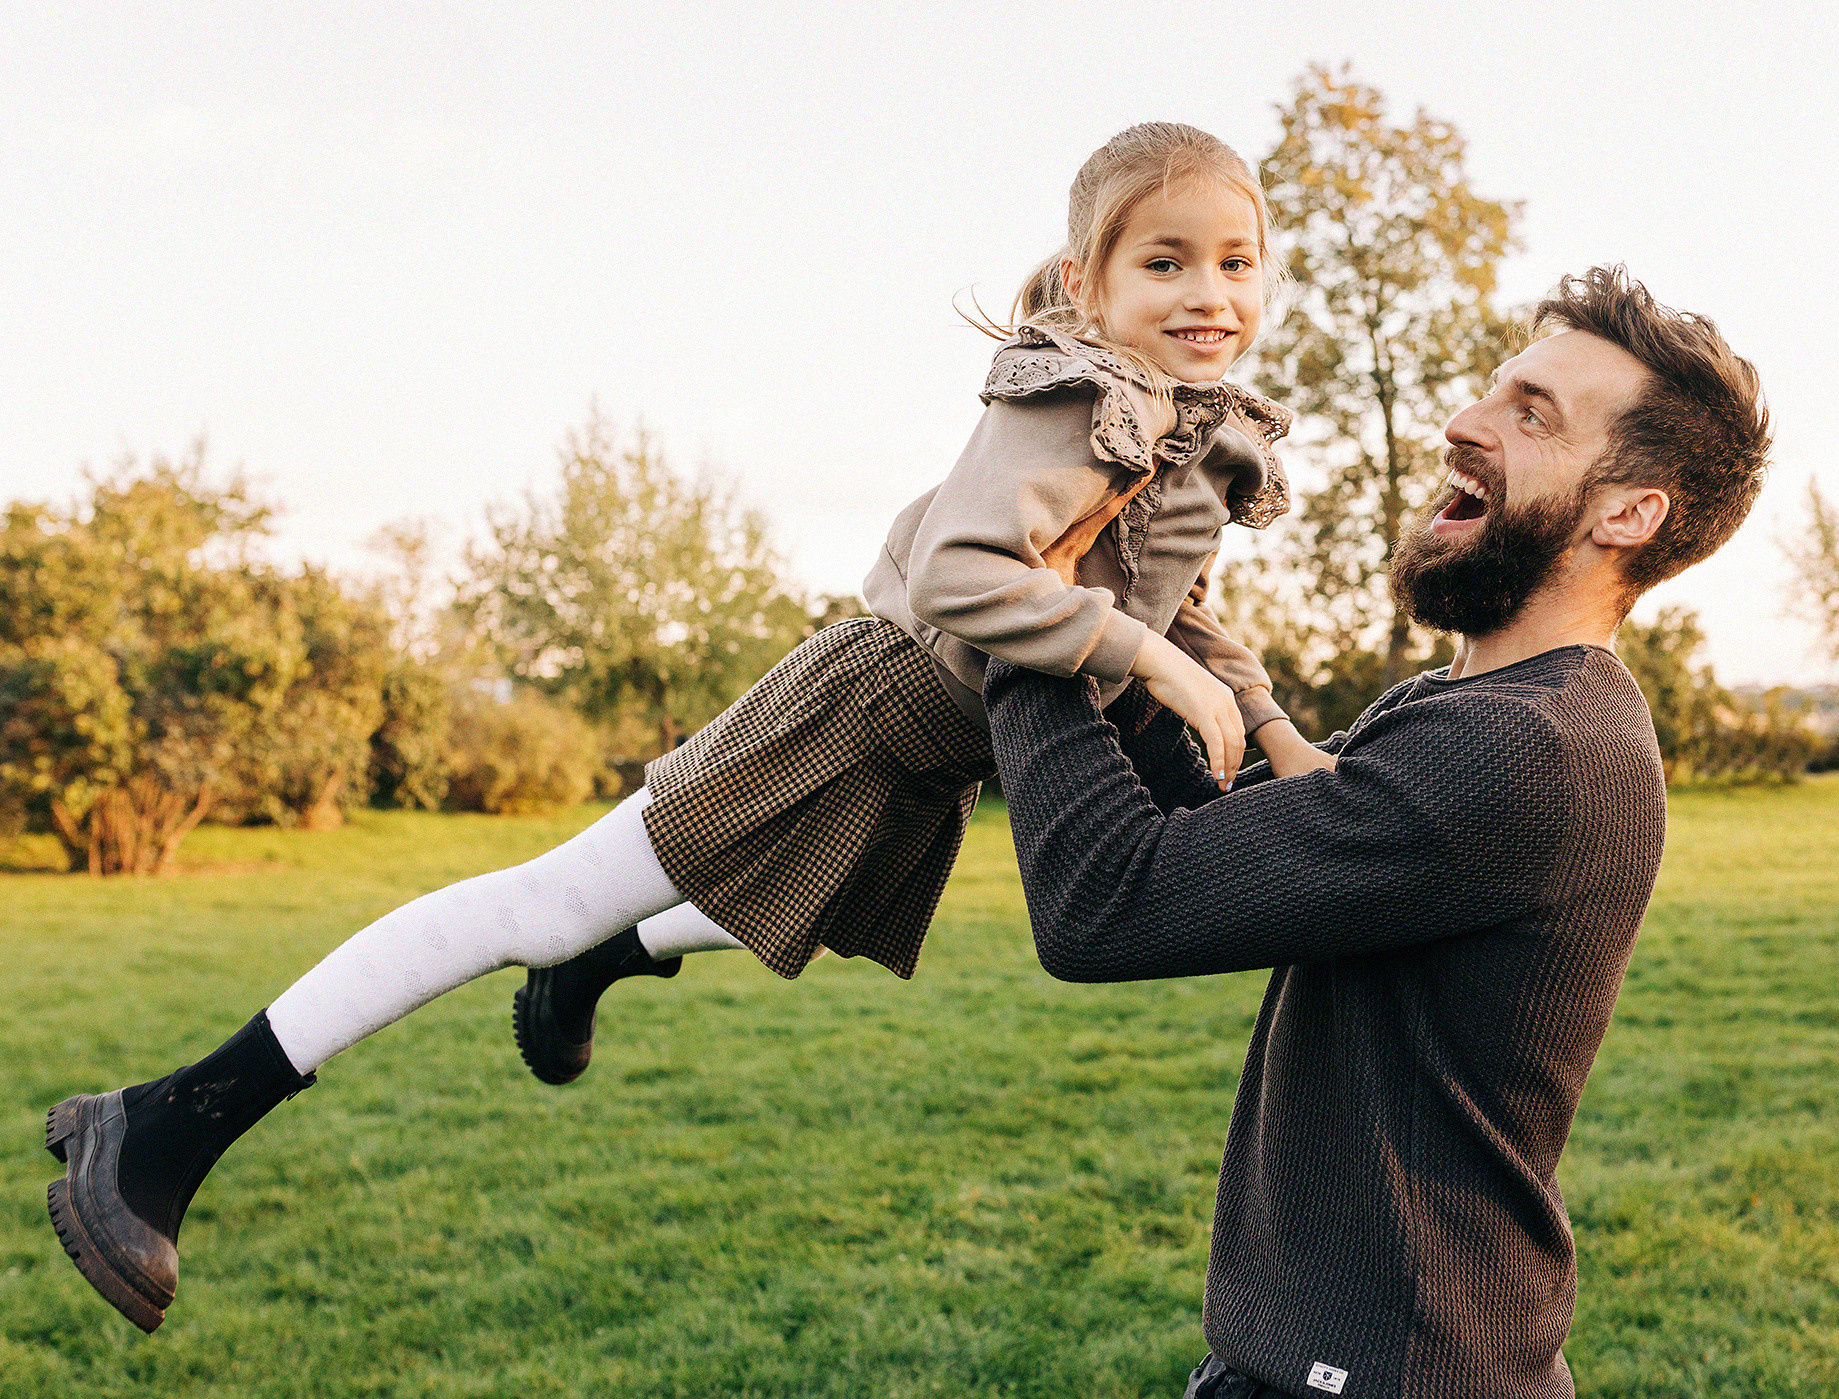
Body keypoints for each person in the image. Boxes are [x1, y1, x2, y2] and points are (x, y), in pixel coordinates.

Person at [43, 121, 1337, 1335]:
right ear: (1088, 279)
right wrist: (1149, 660)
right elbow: (959, 571)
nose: (1206, 291)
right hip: (862, 708)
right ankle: (163, 1121)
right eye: (1164, 260)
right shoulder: (1070, 401)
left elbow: (1179, 605)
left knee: (782, 914)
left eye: (1235, 262)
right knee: (541, 901)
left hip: (934, 749)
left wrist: (1271, 727)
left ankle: (601, 964)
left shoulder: (1187, 429)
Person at [979, 266, 1770, 1399]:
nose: (1464, 423)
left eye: (1529, 413)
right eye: (1494, 391)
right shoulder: (1461, 710)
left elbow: (1105, 901)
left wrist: (1028, 613)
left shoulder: (1526, 747)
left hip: (1391, 1373)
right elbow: (1205, 827)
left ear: (1626, 511)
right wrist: (1130, 612)